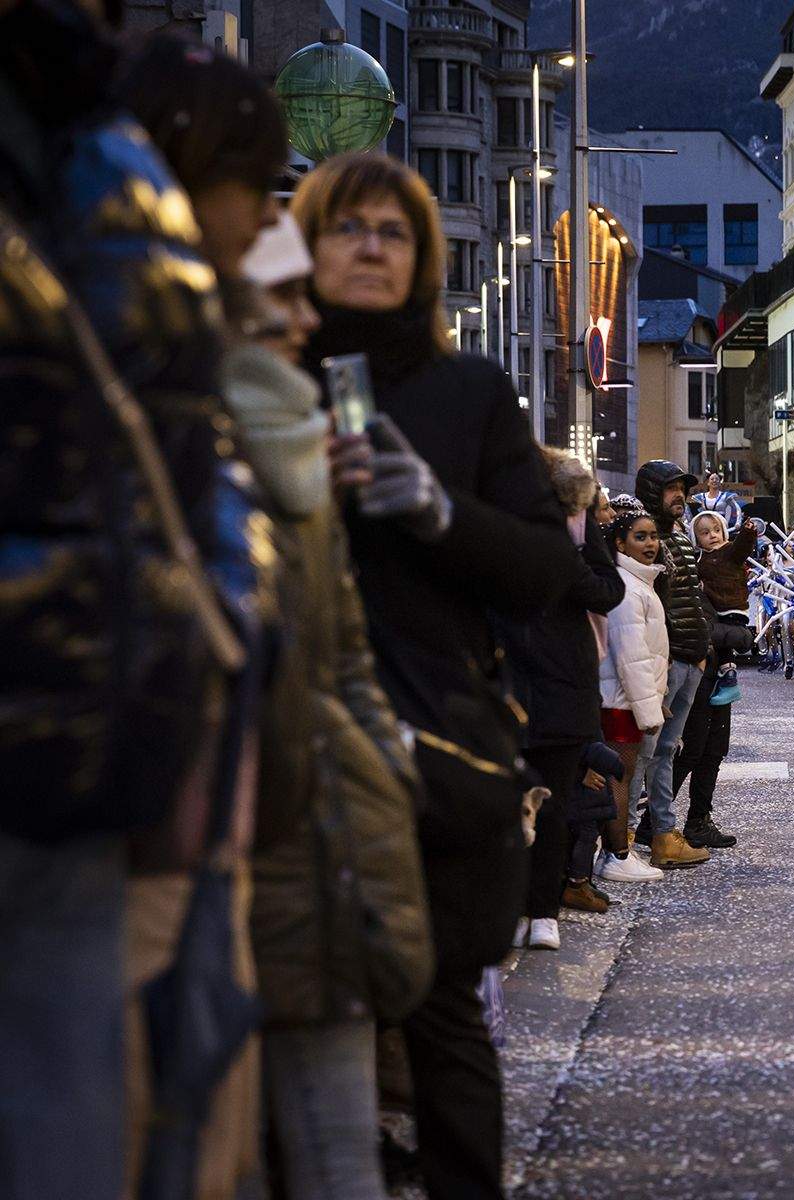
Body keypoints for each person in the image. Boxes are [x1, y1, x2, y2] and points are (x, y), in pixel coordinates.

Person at [0, 7, 250, 1195]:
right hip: (84, 710)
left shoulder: (95, 147)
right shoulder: (106, 150)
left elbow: (169, 469)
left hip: (79, 715)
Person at [295, 151, 575, 1200]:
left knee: (442, 1007)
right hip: (281, 738)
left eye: (395, 231)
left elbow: (547, 570)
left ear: (423, 261)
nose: (371, 245)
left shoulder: (468, 391)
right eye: (348, 226)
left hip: (436, 745)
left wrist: (439, 511)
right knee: (292, 1018)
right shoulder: (262, 375)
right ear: (308, 245)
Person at [225, 214, 435, 1200]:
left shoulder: (306, 467)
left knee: (337, 1156)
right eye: (284, 298)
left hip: (324, 846)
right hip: (215, 861)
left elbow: (345, 658)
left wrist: (379, 776)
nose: (306, 319)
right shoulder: (165, 452)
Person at [117, 34, 291, 1198]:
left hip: (211, 811)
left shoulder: (205, 348)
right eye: (258, 191)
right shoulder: (143, 345)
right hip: (136, 817)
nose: (264, 222)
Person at [499, 447, 625, 951]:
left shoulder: (576, 523)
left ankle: (543, 908)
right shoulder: (492, 521)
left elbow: (608, 590)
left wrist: (566, 568)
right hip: (505, 675)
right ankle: (510, 905)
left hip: (563, 681)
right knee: (505, 800)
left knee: (553, 803)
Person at [631, 460, 715, 868]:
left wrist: (702, 652)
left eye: (682, 487)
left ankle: (663, 833)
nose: (678, 495)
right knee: (644, 752)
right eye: (670, 488)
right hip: (663, 662)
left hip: (688, 660)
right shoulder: (643, 538)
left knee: (665, 752)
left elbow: (692, 597)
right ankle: (624, 839)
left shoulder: (679, 536)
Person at [673, 509, 761, 850]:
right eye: (703, 532)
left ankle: (698, 819)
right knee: (692, 749)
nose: (712, 535)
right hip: (698, 672)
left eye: (716, 529)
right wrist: (739, 636)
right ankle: (656, 819)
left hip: (716, 674)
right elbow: (702, 625)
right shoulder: (697, 574)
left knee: (713, 750)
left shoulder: (724, 564)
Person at [601, 506, 675, 854]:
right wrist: (649, 712)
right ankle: (617, 854)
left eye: (654, 536)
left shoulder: (640, 583)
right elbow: (632, 656)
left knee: (624, 777)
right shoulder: (628, 588)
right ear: (621, 542)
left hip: (629, 698)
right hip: (621, 700)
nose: (650, 544)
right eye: (640, 537)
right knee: (620, 778)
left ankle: (618, 852)